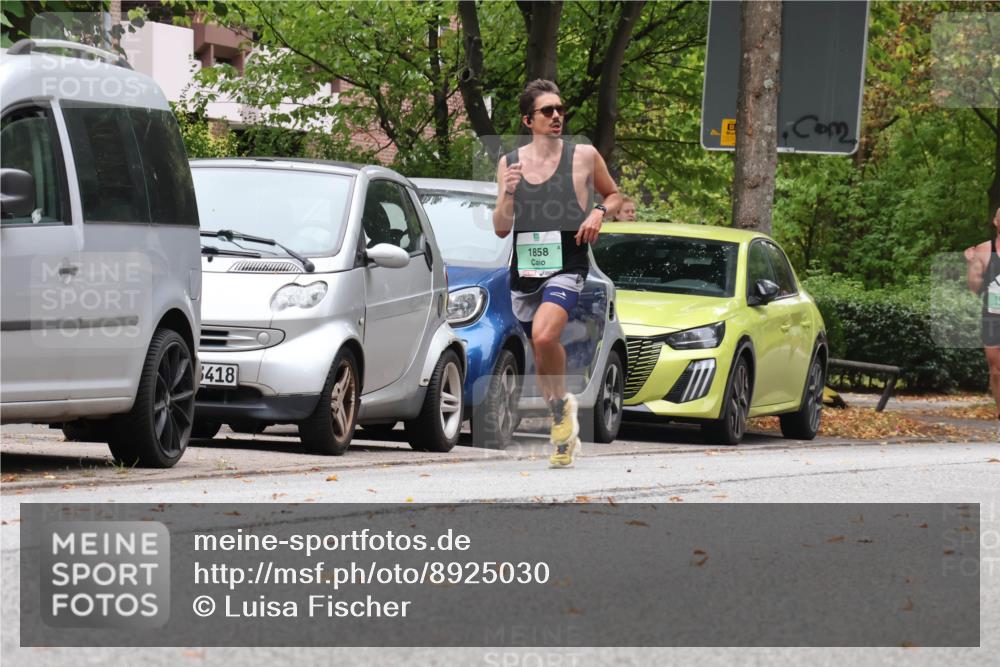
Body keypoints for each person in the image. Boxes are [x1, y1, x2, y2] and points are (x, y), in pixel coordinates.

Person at [493, 79, 622, 467]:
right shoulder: (510, 163)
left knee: (545, 334)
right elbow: (501, 228)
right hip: (526, 270)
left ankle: (562, 410)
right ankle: (560, 416)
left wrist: (598, 212)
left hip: (568, 264)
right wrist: (508, 192)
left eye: (560, 110)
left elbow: (614, 194)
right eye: (547, 110)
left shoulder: (583, 156)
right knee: (541, 347)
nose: (556, 116)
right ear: (528, 120)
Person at [964, 204, 1000, 423]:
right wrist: (972, 264)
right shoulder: (985, 250)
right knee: (996, 370)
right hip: (993, 316)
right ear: (995, 222)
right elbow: (974, 288)